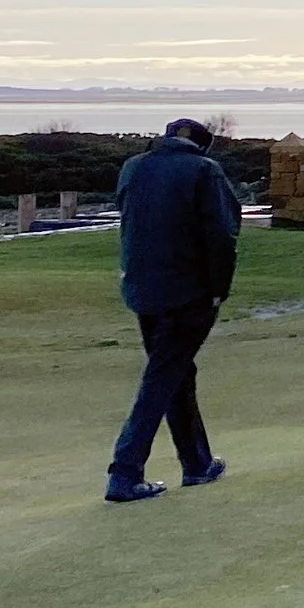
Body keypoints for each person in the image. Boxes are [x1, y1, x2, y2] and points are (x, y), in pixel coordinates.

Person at [104, 118, 242, 503]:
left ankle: (197, 463)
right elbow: (222, 235)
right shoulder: (204, 171)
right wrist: (219, 289)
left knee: (175, 371)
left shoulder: (133, 167)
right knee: (162, 377)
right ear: (203, 144)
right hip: (189, 293)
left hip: (143, 291)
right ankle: (124, 471)